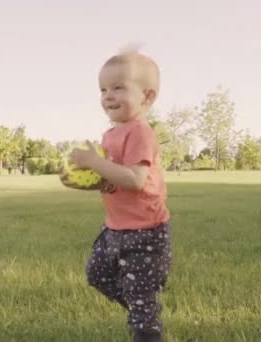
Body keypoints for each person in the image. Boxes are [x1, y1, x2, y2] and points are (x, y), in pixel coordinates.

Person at [68, 47, 172, 342]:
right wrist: (89, 180)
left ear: (147, 97)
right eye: (103, 89)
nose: (108, 95)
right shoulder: (110, 135)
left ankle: (145, 321)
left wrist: (94, 162)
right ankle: (143, 309)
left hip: (145, 233)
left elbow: (136, 180)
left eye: (118, 88)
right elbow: (113, 179)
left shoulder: (140, 132)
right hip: (114, 228)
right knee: (97, 274)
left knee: (141, 308)